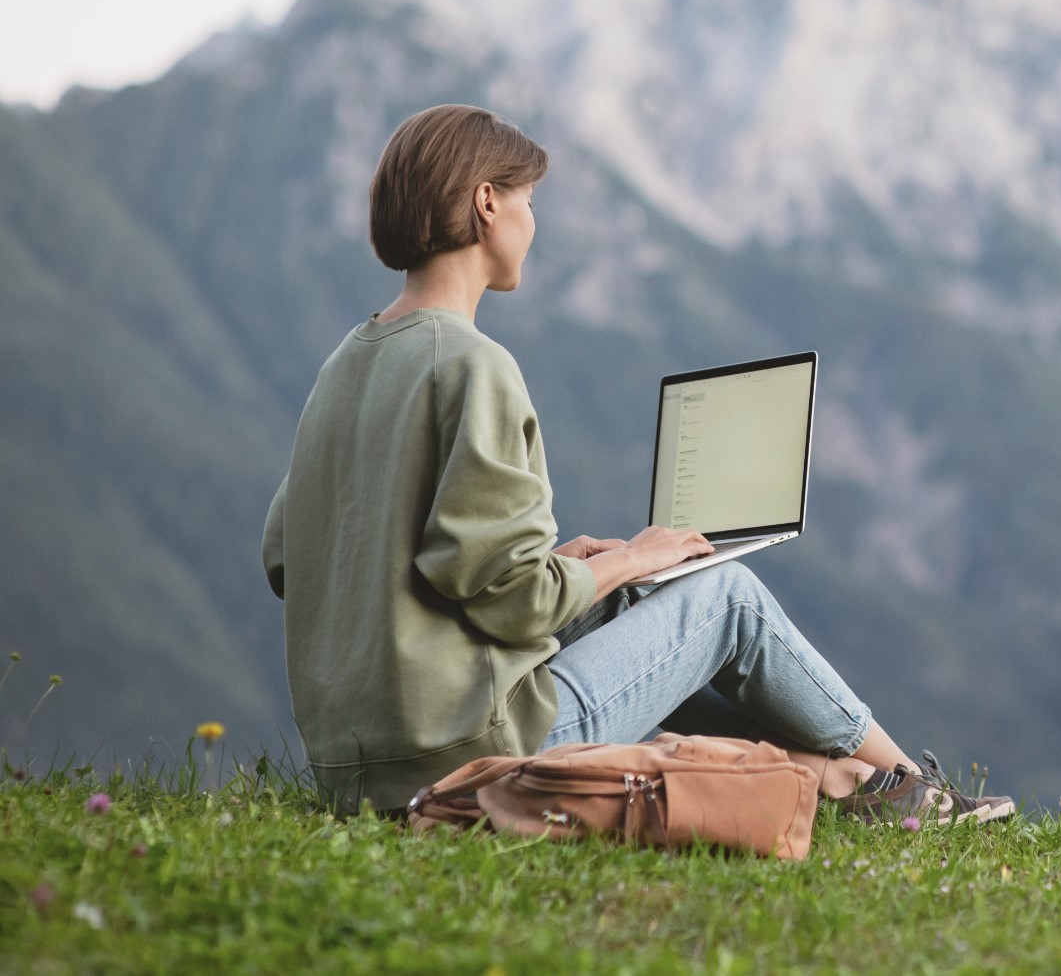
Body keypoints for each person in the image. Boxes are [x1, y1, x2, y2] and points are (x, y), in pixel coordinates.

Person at [262, 103, 1012, 825]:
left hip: (356, 769)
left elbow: (290, 558)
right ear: (487, 203)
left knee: (630, 604)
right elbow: (510, 600)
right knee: (727, 598)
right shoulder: (470, 365)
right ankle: (918, 791)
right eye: (528, 198)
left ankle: (847, 782)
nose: (534, 221)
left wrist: (588, 569)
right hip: (474, 752)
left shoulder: (345, 364)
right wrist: (632, 558)